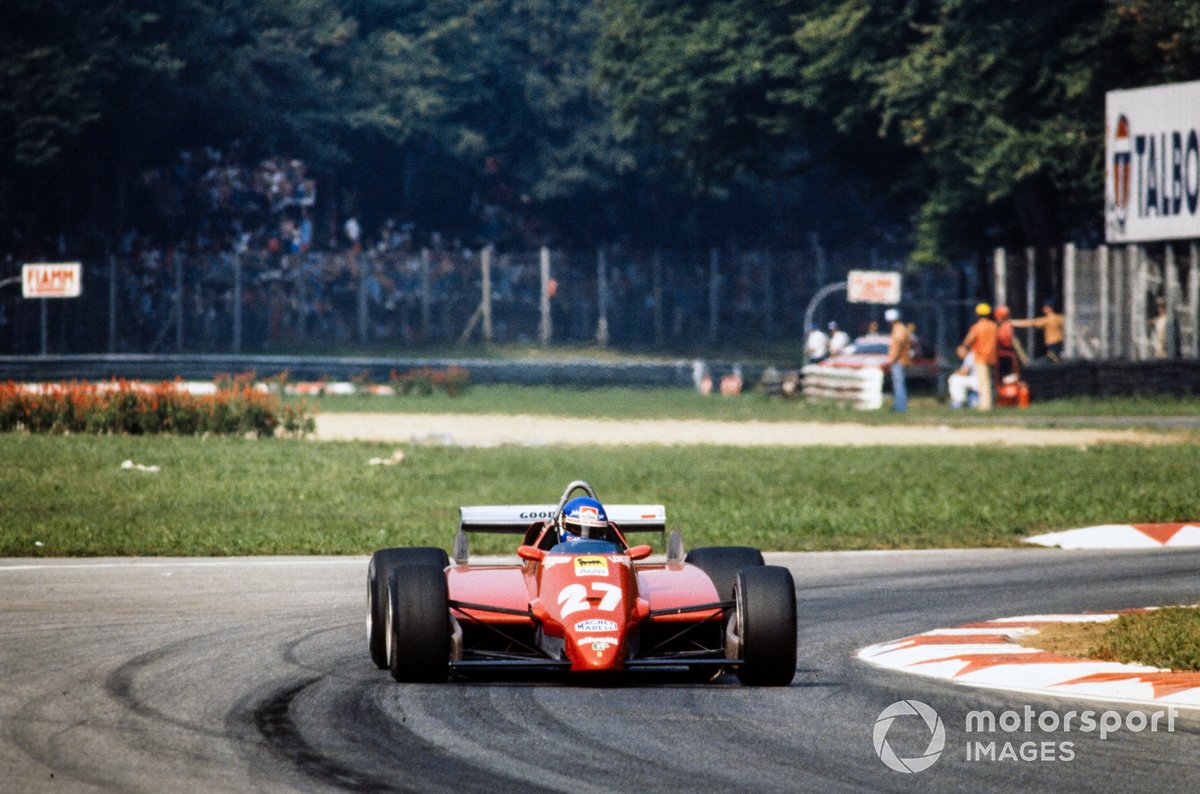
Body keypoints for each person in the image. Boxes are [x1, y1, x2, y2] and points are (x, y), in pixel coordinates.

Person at [958, 303, 998, 410]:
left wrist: (963, 347)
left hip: (980, 356)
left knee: (982, 382)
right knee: (990, 381)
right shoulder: (994, 326)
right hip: (992, 356)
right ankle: (990, 402)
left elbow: (968, 340)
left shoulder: (977, 327)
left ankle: (985, 405)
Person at [883, 307, 912, 412]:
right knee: (898, 383)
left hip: (898, 361)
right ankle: (898, 405)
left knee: (898, 384)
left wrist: (891, 360)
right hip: (902, 360)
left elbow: (897, 346)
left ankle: (900, 407)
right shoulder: (902, 328)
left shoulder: (898, 330)